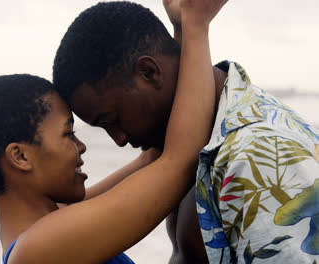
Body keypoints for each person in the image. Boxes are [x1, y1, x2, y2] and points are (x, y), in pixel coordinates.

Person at [0, 0, 226, 263]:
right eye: (68, 134)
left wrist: (177, 32)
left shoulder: (55, 223)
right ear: (20, 156)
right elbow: (179, 160)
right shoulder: (36, 252)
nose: (81, 146)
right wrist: (196, 24)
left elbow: (156, 154)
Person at [52, 1, 319, 263]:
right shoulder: (200, 143)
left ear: (149, 72)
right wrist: (187, 27)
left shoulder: (259, 156)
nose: (119, 139)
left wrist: (193, 23)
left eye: (113, 120)